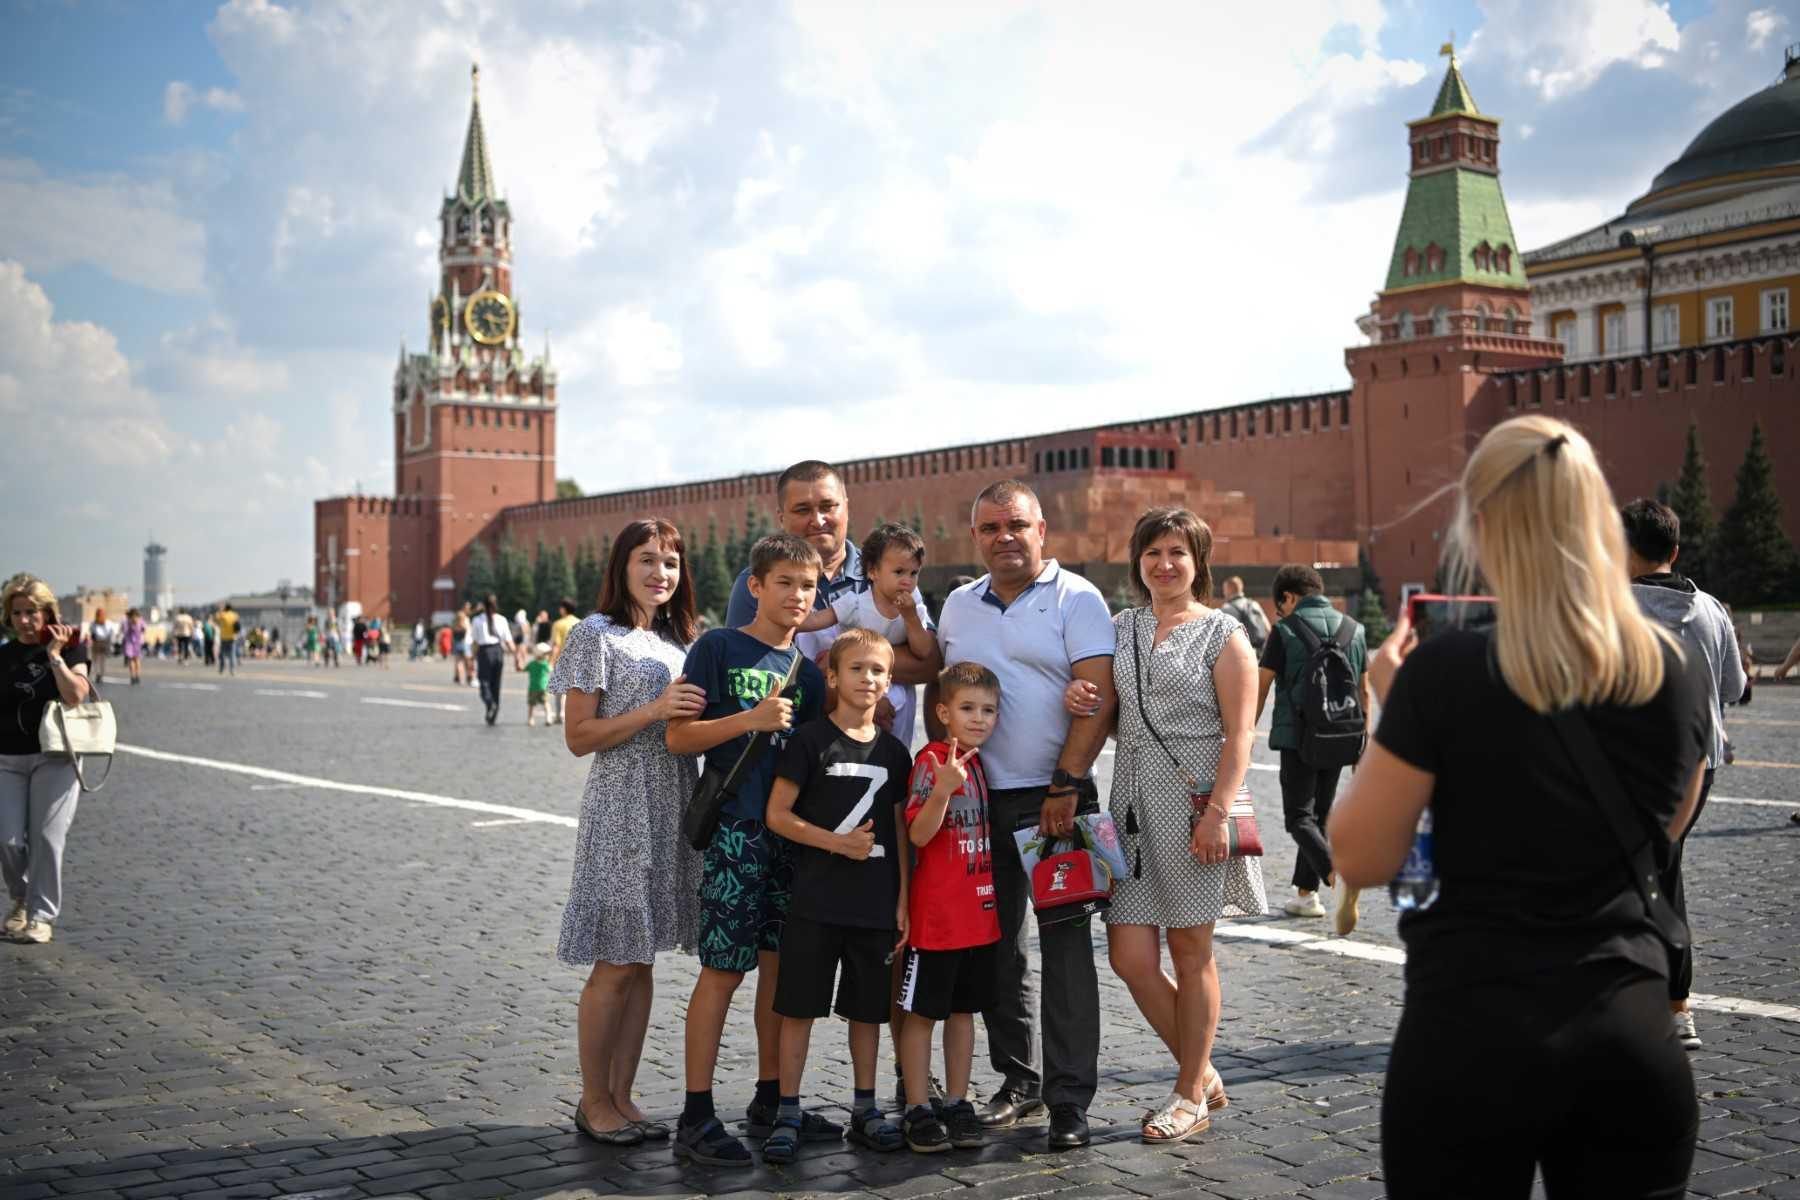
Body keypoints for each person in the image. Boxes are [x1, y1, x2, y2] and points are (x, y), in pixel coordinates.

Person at [1328, 416, 1710, 1200]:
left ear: (1482, 521)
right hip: (1630, 1032)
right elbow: (1668, 825)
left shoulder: (1443, 675)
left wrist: (1389, 706)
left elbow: (1361, 857)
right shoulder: (1667, 670)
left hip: (1472, 1034)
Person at [721, 460, 943, 1105]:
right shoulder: (761, 580)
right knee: (785, 954)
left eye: (827, 506)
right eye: (801, 510)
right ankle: (775, 1094)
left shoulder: (885, 568)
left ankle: (905, 1090)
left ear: (848, 506)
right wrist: (847, 663)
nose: (817, 520)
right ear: (780, 517)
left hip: (884, 776)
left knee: (890, 943)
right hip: (801, 780)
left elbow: (929, 663)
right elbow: (764, 657)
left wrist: (849, 664)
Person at [1064, 508, 1266, 1142]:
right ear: (1138, 562)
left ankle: (1188, 1094)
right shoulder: (1120, 628)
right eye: (1153, 552)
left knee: (1189, 949)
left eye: (1178, 552)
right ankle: (1201, 1068)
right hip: (1130, 806)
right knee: (1129, 956)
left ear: (1198, 562)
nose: (1165, 564)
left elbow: (1240, 735)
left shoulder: (1224, 635)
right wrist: (1082, 699)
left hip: (1193, 807)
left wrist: (1215, 815)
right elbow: (1112, 708)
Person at [934, 479, 1116, 1150]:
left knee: (1066, 950)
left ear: (1043, 530)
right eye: (989, 528)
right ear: (975, 536)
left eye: (1016, 524)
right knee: (994, 949)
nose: (1003, 537)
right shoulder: (957, 605)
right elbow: (940, 686)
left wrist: (1066, 785)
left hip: (1056, 797)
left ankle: (1070, 1099)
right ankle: (1019, 1080)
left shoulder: (1079, 598)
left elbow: (1099, 698)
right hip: (976, 801)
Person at [667, 533, 829, 1168]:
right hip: (736, 832)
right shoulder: (717, 646)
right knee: (723, 970)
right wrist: (749, 720)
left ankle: (770, 1096)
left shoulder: (810, 677)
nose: (796, 596)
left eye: (808, 586)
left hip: (786, 839)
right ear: (755, 586)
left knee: (779, 972)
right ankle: (697, 1112)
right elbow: (680, 739)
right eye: (784, 582)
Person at [551, 518, 707, 1146]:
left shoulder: (683, 639)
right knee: (615, 964)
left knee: (641, 963)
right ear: (621, 567)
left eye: (670, 563)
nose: (659, 574)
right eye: (647, 560)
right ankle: (593, 1101)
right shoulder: (595, 634)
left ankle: (622, 1095)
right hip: (621, 809)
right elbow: (578, 737)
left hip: (672, 803)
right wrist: (653, 710)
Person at [760, 627, 913, 1162]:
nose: (867, 679)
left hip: (873, 904)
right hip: (814, 902)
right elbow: (777, 815)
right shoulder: (808, 741)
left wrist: (902, 901)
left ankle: (865, 1108)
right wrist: (836, 844)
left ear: (890, 682)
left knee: (868, 1013)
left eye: (878, 671)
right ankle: (787, 1109)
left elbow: (897, 831)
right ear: (832, 675)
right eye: (856, 668)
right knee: (798, 1009)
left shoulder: (896, 754)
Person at [1621, 498, 1747, 1050]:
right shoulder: (1713, 610)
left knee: (1641, 879)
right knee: (1660, 871)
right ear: (1674, 552)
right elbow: (1732, 689)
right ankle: (1670, 1006)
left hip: (1624, 769)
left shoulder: (1607, 608)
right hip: (1697, 767)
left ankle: (1667, 1005)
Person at [897, 661, 1002, 1154]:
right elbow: (918, 834)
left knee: (964, 1014)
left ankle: (958, 1101)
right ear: (943, 712)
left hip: (977, 921)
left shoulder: (979, 763)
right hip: (936, 922)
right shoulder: (932, 761)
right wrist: (941, 788)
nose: (979, 718)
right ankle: (918, 1105)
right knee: (921, 1016)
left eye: (988, 710)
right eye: (967, 709)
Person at [1253, 564, 1369, 932]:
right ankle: (1306, 896)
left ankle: (1336, 871)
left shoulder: (1285, 631)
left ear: (1288, 597)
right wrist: (1360, 744)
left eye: (1279, 605)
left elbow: (1262, 685)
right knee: (1318, 815)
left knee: (1299, 817)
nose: (1280, 613)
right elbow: (1363, 691)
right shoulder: (1355, 630)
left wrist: (1244, 732)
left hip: (1298, 738)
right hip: (1341, 736)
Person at [1, 576, 91, 946]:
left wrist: (54, 657)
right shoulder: (3, 655)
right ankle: (21, 899)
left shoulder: (71, 647)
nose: (25, 620)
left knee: (45, 838)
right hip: (7, 759)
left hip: (55, 758)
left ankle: (41, 915)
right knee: (8, 842)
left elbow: (76, 696)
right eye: (17, 612)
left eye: (32, 612)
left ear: (47, 611)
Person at [797, 523, 937, 744]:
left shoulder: (914, 609)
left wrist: (911, 618)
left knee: (896, 742)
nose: (907, 581)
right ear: (873, 572)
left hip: (895, 685)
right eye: (899, 572)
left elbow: (923, 651)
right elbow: (819, 619)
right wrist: (789, 623)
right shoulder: (855, 603)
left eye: (913, 573)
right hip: (856, 686)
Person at [471, 595, 514, 725]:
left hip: (485, 652)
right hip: (498, 651)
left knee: (484, 682)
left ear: (483, 606)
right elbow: (508, 641)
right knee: (496, 684)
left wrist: (472, 657)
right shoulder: (502, 619)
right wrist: (516, 656)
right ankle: (493, 713)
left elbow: (475, 642)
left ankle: (490, 703)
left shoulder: (477, 620)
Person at [1218, 576, 1270, 655]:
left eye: (1224, 589)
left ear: (1229, 589)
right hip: (1259, 654)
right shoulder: (1254, 604)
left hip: (1240, 655)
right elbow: (1268, 628)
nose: (1224, 593)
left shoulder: (1227, 608)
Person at [550, 598, 580, 726]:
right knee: (574, 689)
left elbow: (556, 645)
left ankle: (560, 714)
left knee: (559, 689)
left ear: (563, 609)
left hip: (563, 659)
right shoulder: (580, 622)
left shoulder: (558, 624)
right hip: (578, 660)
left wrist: (551, 661)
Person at [525, 642, 553, 727]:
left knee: (531, 704)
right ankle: (548, 718)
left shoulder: (532, 663)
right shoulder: (545, 664)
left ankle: (530, 719)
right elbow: (550, 670)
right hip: (543, 688)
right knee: (546, 703)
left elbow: (524, 668)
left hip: (532, 688)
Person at [87, 609, 114, 686]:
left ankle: (99, 674)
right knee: (100, 660)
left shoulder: (97, 623)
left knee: (99, 660)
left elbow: (92, 632)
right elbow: (110, 633)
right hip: (100, 642)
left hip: (100, 642)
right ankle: (99, 674)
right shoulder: (105, 623)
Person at [121, 608, 146, 686]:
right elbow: (144, 629)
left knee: (131, 660)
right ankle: (137, 676)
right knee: (137, 660)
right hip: (137, 642)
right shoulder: (140, 620)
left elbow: (123, 630)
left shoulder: (127, 621)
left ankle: (132, 677)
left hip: (129, 642)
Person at [216, 603, 241, 675]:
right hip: (232, 637)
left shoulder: (223, 615)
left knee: (222, 654)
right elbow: (237, 625)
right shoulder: (234, 615)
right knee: (232, 654)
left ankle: (222, 668)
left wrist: (221, 610)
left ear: (225, 608)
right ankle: (232, 670)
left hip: (223, 637)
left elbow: (216, 618)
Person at [452, 607, 472, 685]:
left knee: (459, 662)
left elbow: (453, 636)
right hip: (465, 644)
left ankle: (460, 679)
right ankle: (469, 676)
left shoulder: (455, 626)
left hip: (457, 644)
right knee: (468, 662)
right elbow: (468, 633)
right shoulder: (464, 625)